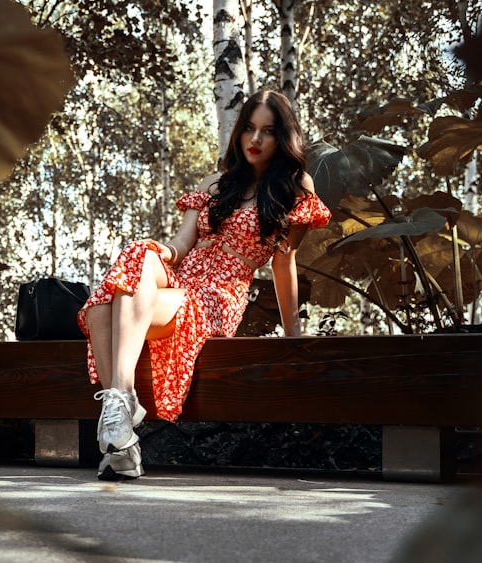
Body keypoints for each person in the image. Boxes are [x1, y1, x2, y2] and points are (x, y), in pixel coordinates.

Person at [77, 90, 332, 480]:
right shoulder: (216, 183)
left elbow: (284, 262)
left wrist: (292, 332)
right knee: (128, 267)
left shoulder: (295, 188)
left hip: (219, 293)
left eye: (267, 131)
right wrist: (158, 251)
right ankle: (122, 409)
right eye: (248, 128)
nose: (255, 140)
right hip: (182, 274)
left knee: (104, 304)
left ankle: (120, 424)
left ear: (283, 138)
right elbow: (182, 245)